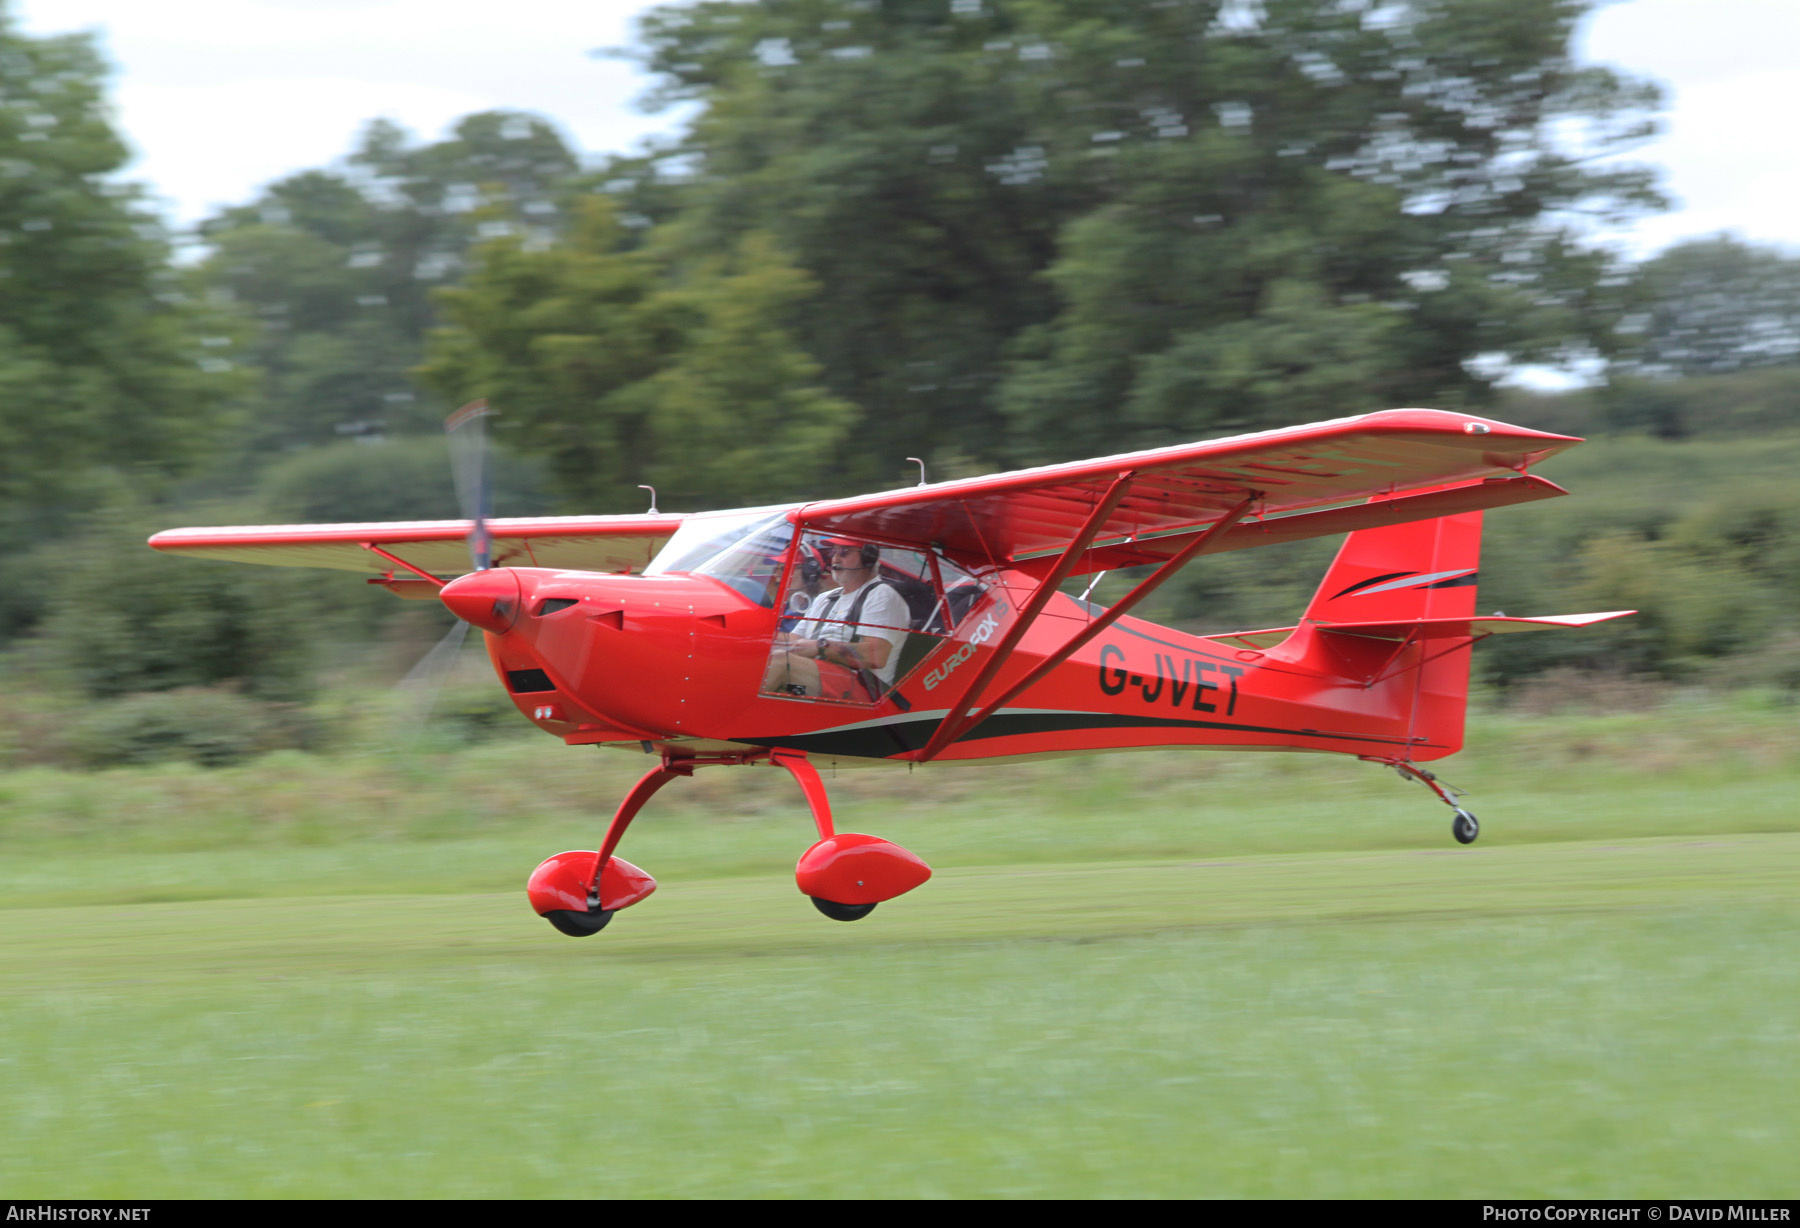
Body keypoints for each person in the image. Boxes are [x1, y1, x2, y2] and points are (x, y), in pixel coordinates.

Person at [763, 538, 910, 701]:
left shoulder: (882, 596)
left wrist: (821, 646)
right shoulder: (825, 598)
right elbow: (793, 639)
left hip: (862, 693)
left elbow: (876, 656)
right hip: (811, 686)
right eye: (833, 552)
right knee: (760, 673)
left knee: (779, 664)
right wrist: (750, 638)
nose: (835, 559)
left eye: (844, 553)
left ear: (869, 558)